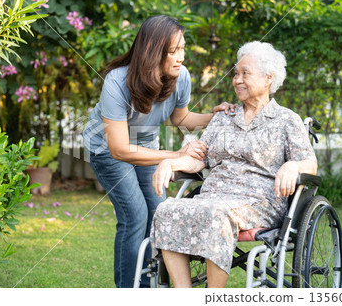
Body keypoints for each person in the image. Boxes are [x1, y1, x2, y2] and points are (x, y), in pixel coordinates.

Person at [82, 15, 234, 288]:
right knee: (135, 215)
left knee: (160, 212)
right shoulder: (117, 82)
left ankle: (151, 285)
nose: (181, 57)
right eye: (173, 51)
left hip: (145, 145)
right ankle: (130, 291)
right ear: (153, 52)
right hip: (106, 148)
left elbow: (181, 118)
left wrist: (214, 116)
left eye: (183, 49)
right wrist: (175, 155)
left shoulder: (180, 76)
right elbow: (119, 149)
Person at [150, 41, 318, 288]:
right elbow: (199, 157)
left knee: (217, 214)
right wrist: (170, 162)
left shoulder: (286, 120)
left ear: (268, 78)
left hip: (260, 201)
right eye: (236, 74)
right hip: (214, 196)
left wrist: (293, 166)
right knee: (167, 209)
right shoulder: (224, 118)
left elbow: (310, 163)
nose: (237, 80)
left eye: (245, 74)